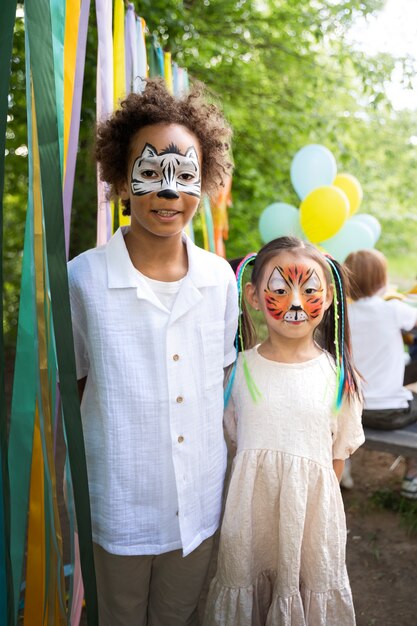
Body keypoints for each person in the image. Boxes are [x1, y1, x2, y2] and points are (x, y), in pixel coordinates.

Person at [67, 78, 239, 626]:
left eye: (184, 175)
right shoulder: (83, 281)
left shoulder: (220, 279)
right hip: (120, 502)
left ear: (203, 180)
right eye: (150, 172)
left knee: (177, 614)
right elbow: (76, 383)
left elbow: (221, 379)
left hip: (198, 503)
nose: (169, 193)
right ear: (121, 176)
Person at [203, 237, 364, 626]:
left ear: (327, 299)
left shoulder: (338, 378)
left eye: (309, 291)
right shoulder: (237, 372)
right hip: (251, 524)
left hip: (311, 526)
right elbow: (235, 444)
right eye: (279, 289)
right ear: (254, 296)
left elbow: (335, 461)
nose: (295, 303)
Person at [344, 249, 417, 498]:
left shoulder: (345, 317)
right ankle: (412, 476)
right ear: (382, 282)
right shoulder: (394, 309)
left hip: (351, 414)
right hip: (391, 413)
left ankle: (343, 464)